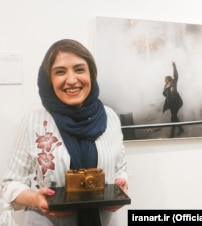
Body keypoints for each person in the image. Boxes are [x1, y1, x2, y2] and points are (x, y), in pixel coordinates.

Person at [0, 39, 128, 226]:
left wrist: (120, 185)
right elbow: (10, 184)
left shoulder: (110, 118)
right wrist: (36, 199)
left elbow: (120, 167)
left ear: (91, 74)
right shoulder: (34, 122)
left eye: (79, 69)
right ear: (48, 80)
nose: (71, 80)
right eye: (60, 72)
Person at [162, 61, 184, 138]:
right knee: (174, 117)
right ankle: (181, 129)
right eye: (166, 82)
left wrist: (174, 65)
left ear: (170, 80)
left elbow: (176, 75)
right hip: (171, 104)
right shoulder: (165, 86)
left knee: (173, 118)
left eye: (168, 81)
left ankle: (172, 133)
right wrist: (167, 90)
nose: (167, 82)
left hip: (177, 103)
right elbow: (164, 94)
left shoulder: (174, 82)